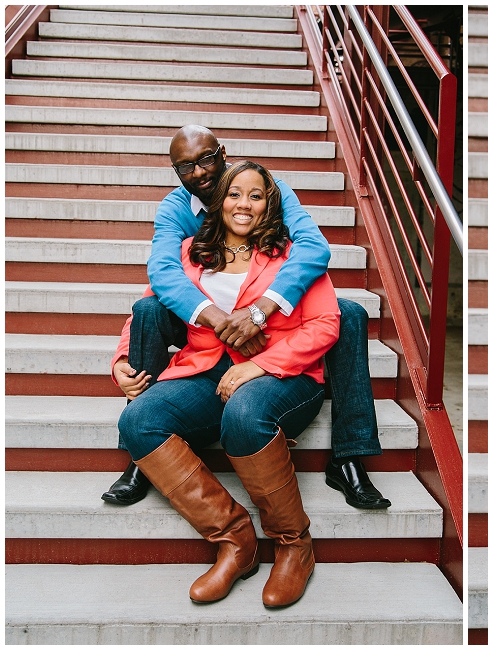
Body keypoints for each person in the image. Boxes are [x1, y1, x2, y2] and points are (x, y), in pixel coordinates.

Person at [102, 125, 390, 511]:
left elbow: (313, 248)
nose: (200, 173)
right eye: (186, 167)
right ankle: (144, 456)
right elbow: (160, 278)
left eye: (206, 159)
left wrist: (259, 314)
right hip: (201, 320)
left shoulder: (270, 191)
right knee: (149, 311)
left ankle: (349, 454)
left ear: (222, 154)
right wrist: (126, 356)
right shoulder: (178, 214)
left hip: (267, 318)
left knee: (348, 313)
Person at [116, 160, 338, 606]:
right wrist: (122, 358)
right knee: (138, 419)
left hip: (285, 373)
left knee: (244, 412)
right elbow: (146, 304)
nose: (243, 204)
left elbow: (326, 324)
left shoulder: (292, 254)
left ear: (268, 205)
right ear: (218, 203)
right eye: (235, 194)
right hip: (207, 368)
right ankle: (237, 541)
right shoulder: (190, 251)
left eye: (255, 196)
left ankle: (295, 545)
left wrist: (259, 366)